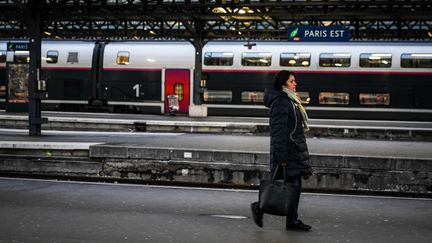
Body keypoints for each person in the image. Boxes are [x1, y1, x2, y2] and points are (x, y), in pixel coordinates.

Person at [251, 70, 313, 231]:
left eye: (294, 80)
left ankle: (291, 220)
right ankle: (260, 208)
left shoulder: (291, 101)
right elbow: (278, 131)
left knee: (293, 186)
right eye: (292, 81)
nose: (295, 83)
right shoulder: (281, 102)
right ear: (283, 83)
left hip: (294, 149)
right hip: (288, 152)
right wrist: (281, 157)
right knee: (291, 186)